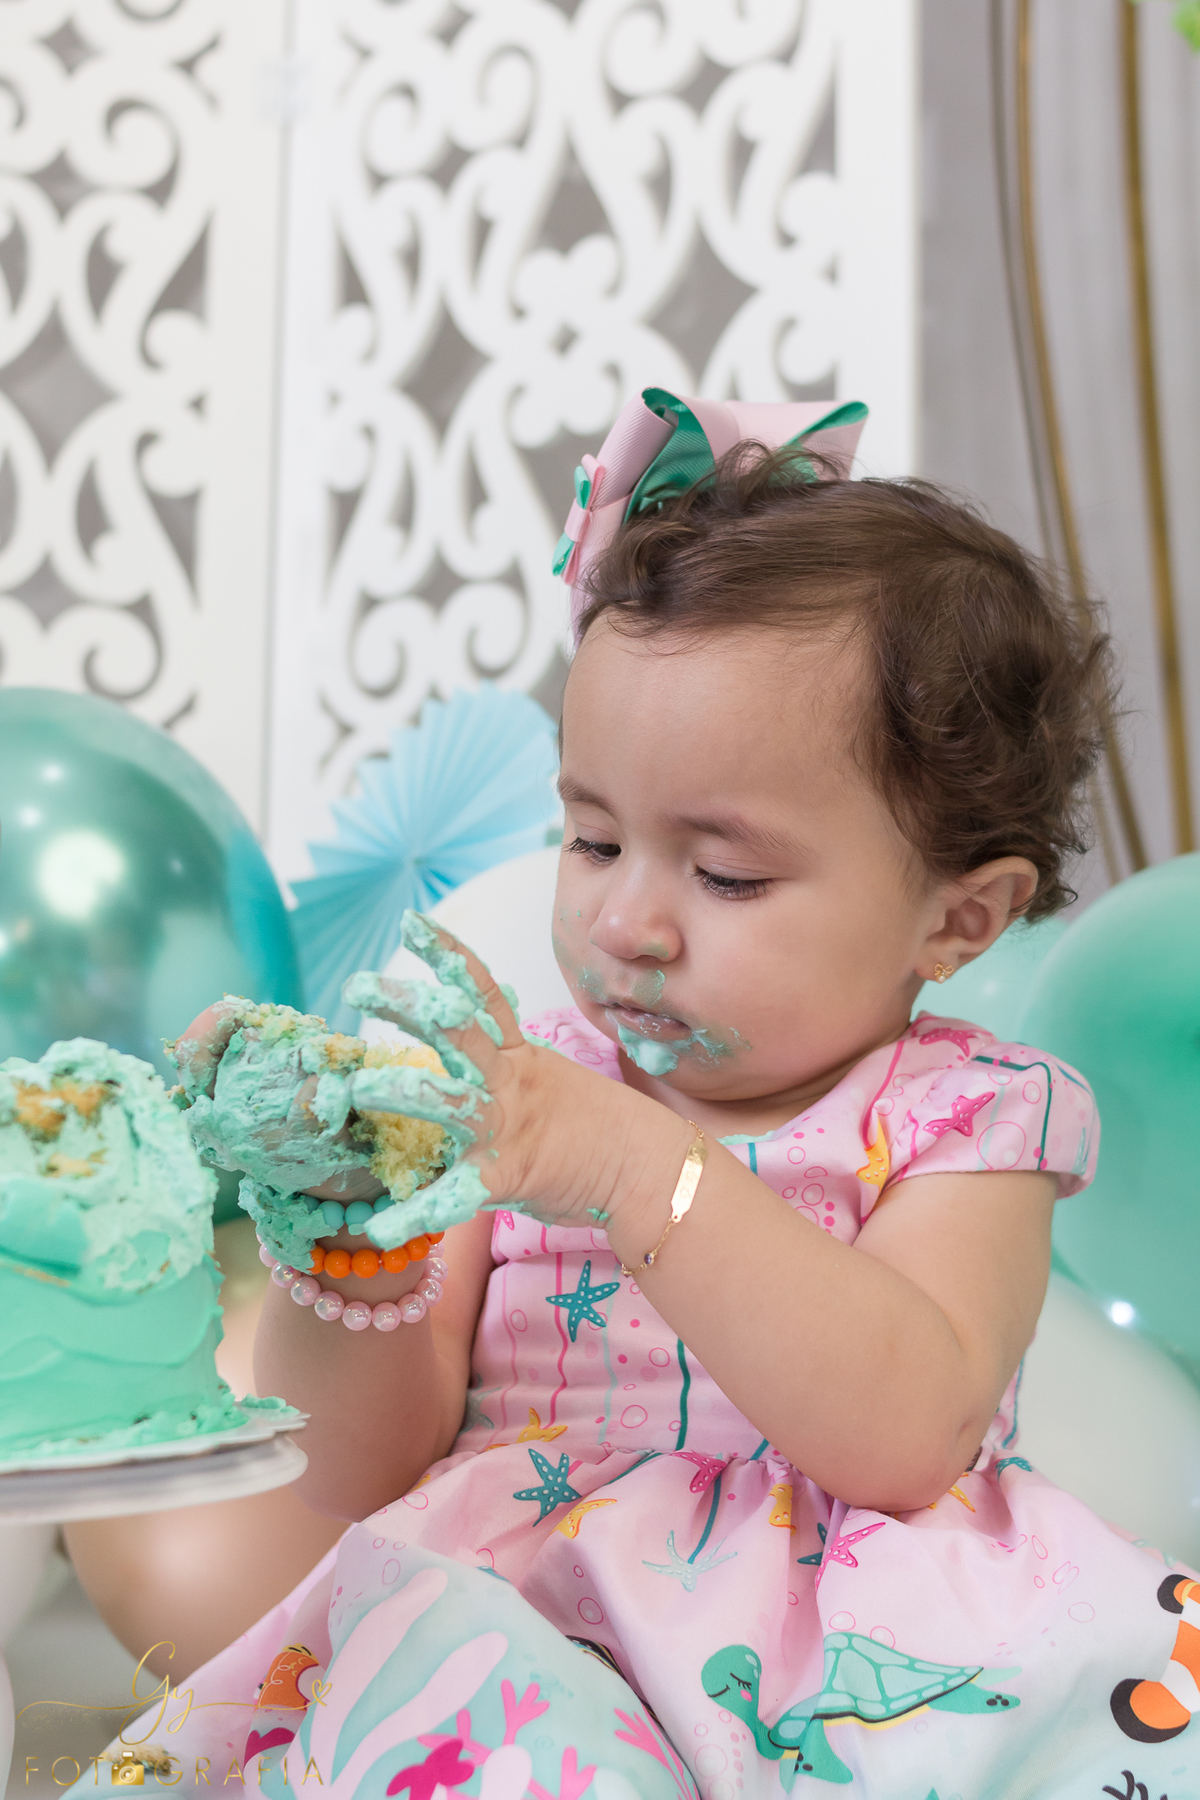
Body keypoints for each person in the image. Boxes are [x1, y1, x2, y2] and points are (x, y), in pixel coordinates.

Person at [73, 395, 1197, 1800]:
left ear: (960, 923)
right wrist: (343, 1230)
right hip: (520, 1619)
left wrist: (639, 1175)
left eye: (725, 874)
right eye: (593, 837)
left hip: (859, 1646)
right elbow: (358, 1465)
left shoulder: (967, 1118)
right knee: (463, 1695)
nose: (630, 922)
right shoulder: (519, 1089)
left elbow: (906, 1434)